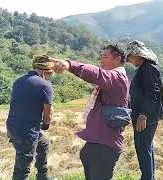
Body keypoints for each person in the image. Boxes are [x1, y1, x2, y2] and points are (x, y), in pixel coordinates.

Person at [52, 44, 130, 180]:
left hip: (105, 146)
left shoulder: (117, 78)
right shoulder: (111, 80)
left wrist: (69, 65)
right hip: (97, 143)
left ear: (118, 59)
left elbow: (97, 74)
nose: (101, 60)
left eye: (105, 57)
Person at [6, 55, 56, 180]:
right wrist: (46, 124)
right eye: (50, 74)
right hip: (27, 132)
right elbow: (48, 113)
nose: (50, 76)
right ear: (45, 71)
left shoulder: (19, 81)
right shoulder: (45, 85)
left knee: (43, 144)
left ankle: (42, 176)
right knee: (23, 167)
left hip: (12, 127)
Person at [126, 40, 163, 180]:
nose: (129, 60)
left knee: (143, 148)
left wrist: (143, 115)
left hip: (146, 118)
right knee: (146, 148)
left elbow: (152, 93)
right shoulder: (144, 68)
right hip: (143, 116)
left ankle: (147, 177)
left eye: (130, 57)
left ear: (137, 55)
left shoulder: (148, 68)